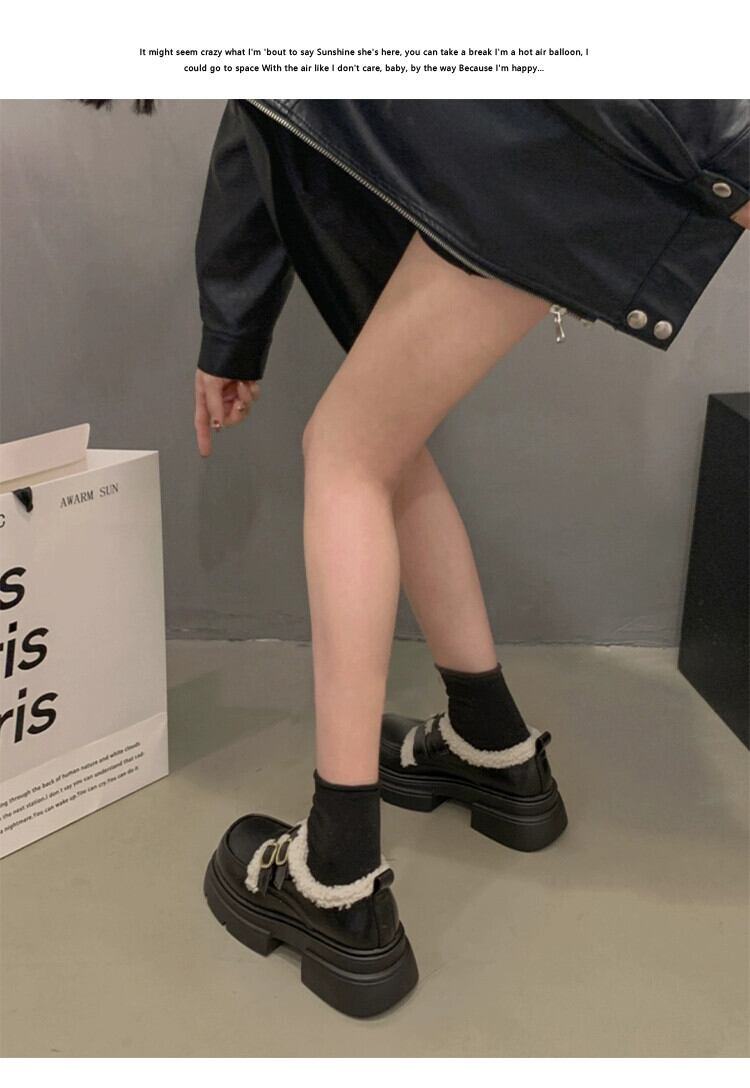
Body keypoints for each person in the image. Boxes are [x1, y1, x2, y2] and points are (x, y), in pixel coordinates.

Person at [85, 98, 750, 1017]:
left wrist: (231, 332)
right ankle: (492, 748)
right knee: (381, 440)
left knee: (345, 454)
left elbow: (262, 109)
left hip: (560, 144)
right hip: (576, 146)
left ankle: (336, 885)